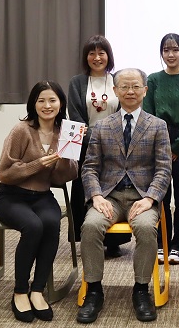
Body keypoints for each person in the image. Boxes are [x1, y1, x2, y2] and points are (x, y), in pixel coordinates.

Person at [77, 68, 172, 324]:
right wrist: (96, 196)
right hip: (110, 195)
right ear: (116, 91)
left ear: (145, 90)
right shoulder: (101, 126)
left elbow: (163, 168)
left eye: (136, 86)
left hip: (143, 196)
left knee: (144, 228)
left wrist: (151, 198)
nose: (130, 91)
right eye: (125, 87)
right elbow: (89, 167)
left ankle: (141, 290)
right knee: (91, 226)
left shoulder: (157, 126)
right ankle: (94, 290)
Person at [0, 81, 78, 323]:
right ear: (33, 103)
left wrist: (63, 161)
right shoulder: (21, 130)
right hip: (11, 196)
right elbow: (4, 173)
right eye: (41, 100)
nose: (47, 105)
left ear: (61, 103)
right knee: (33, 226)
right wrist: (37, 164)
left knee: (52, 223)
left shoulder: (68, 131)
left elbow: (66, 177)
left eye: (52, 100)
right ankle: (20, 291)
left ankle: (38, 290)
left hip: (42, 195)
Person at [68, 35, 131, 258]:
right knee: (84, 189)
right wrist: (95, 139)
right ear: (86, 57)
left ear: (108, 56)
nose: (97, 58)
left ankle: (113, 241)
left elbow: (123, 111)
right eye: (92, 53)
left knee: (113, 190)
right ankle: (86, 237)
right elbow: (75, 116)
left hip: (114, 145)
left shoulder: (117, 80)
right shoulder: (77, 82)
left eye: (101, 53)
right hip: (85, 146)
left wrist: (110, 138)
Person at [144, 33, 179, 265]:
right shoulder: (153, 79)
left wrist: (178, 146)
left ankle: (178, 245)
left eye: (175, 50)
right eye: (166, 50)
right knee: (160, 197)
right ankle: (161, 243)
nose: (170, 54)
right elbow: (148, 114)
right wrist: (164, 147)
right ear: (161, 53)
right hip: (158, 143)